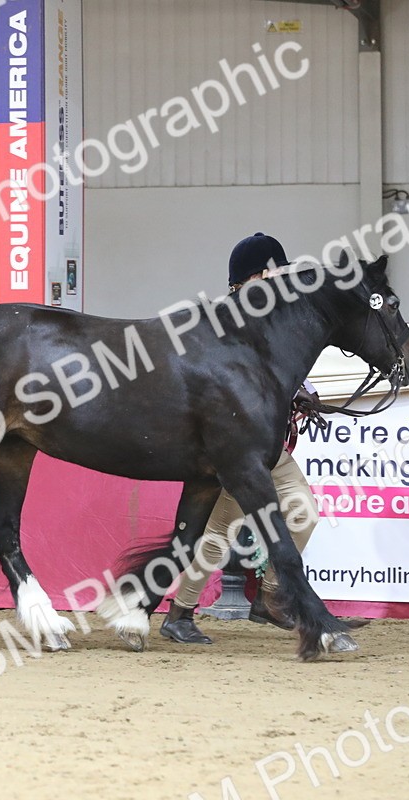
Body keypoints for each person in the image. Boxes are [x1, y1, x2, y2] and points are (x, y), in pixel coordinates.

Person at [161, 232, 321, 644]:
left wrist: (301, 391)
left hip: (270, 449)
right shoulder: (226, 324)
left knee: (304, 514)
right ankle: (180, 612)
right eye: (277, 271)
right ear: (257, 276)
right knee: (218, 536)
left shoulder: (278, 325)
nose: (284, 278)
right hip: (235, 446)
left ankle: (268, 596)